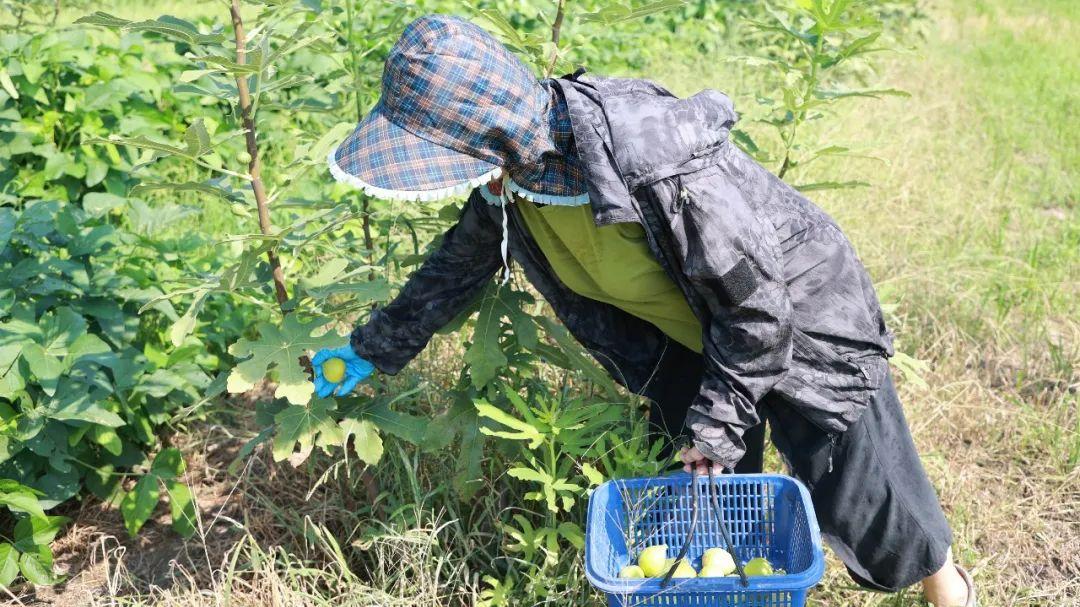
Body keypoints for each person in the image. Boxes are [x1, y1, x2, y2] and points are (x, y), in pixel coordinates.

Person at [314, 14, 976, 607]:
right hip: (689, 338)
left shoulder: (649, 158)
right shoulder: (510, 183)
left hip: (799, 316)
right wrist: (369, 349)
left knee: (862, 492)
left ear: (492, 132)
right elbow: (452, 271)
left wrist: (719, 424)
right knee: (699, 500)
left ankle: (948, 588)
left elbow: (757, 310)